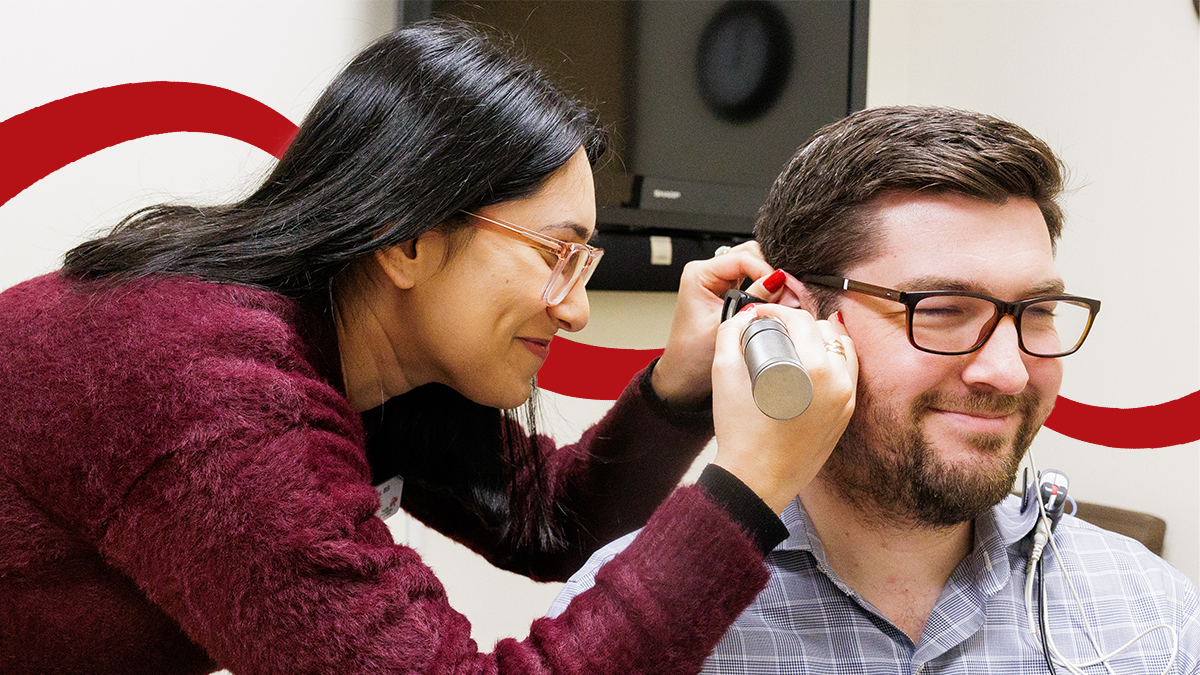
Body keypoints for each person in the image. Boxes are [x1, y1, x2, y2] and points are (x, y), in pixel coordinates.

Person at [0, 20, 859, 675]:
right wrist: (751, 484)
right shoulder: (216, 388)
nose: (577, 313)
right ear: (405, 237)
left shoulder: (363, 355)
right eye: (556, 254)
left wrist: (682, 387)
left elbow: (548, 522)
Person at [551, 106, 1200, 674]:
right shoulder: (624, 630)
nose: (1009, 372)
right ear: (789, 317)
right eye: (943, 308)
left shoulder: (1153, 615)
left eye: (1037, 311)